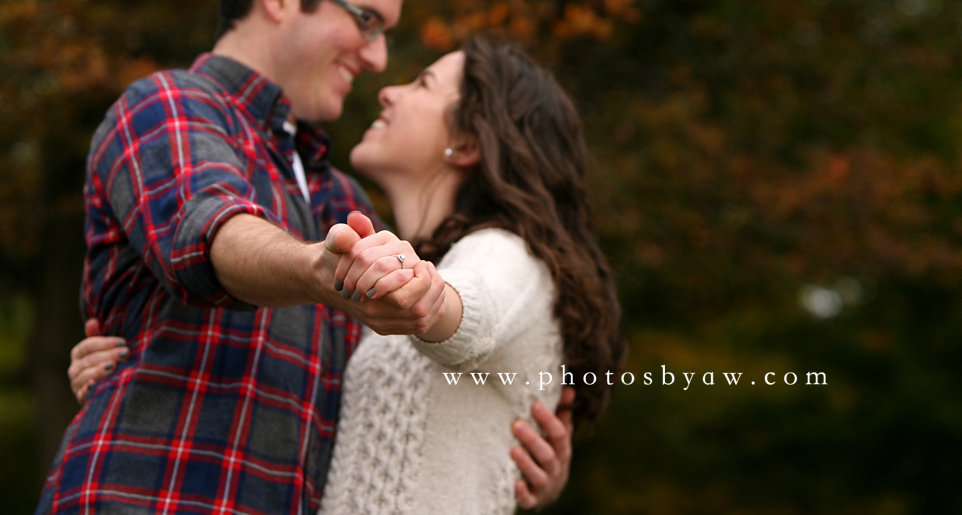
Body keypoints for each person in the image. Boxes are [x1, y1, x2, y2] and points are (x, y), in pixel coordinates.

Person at [36, 0, 570, 515]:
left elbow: (378, 393)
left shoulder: (340, 196)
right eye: (366, 21)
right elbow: (215, 234)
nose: (377, 59)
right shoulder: (170, 107)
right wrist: (317, 271)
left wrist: (500, 444)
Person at [70, 35, 626, 514]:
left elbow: (470, 311)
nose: (389, 89)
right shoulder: (375, 254)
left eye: (423, 84)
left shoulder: (506, 256)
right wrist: (132, 367)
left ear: (470, 142)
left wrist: (427, 299)